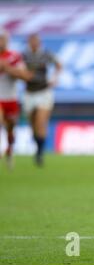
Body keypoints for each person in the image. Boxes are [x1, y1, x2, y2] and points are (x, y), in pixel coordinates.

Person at [22, 33, 62, 167]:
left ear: (39, 42)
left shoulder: (46, 54)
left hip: (44, 92)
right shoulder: (23, 55)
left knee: (40, 122)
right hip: (29, 93)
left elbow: (59, 64)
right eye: (31, 40)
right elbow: (17, 69)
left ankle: (40, 153)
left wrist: (55, 78)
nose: (33, 43)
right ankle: (38, 145)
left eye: (35, 41)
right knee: (33, 125)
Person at [0, 29, 33, 169]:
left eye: (3, 39)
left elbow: (26, 76)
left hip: (11, 98)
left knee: (10, 129)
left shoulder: (14, 57)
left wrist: (8, 69)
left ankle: (9, 151)